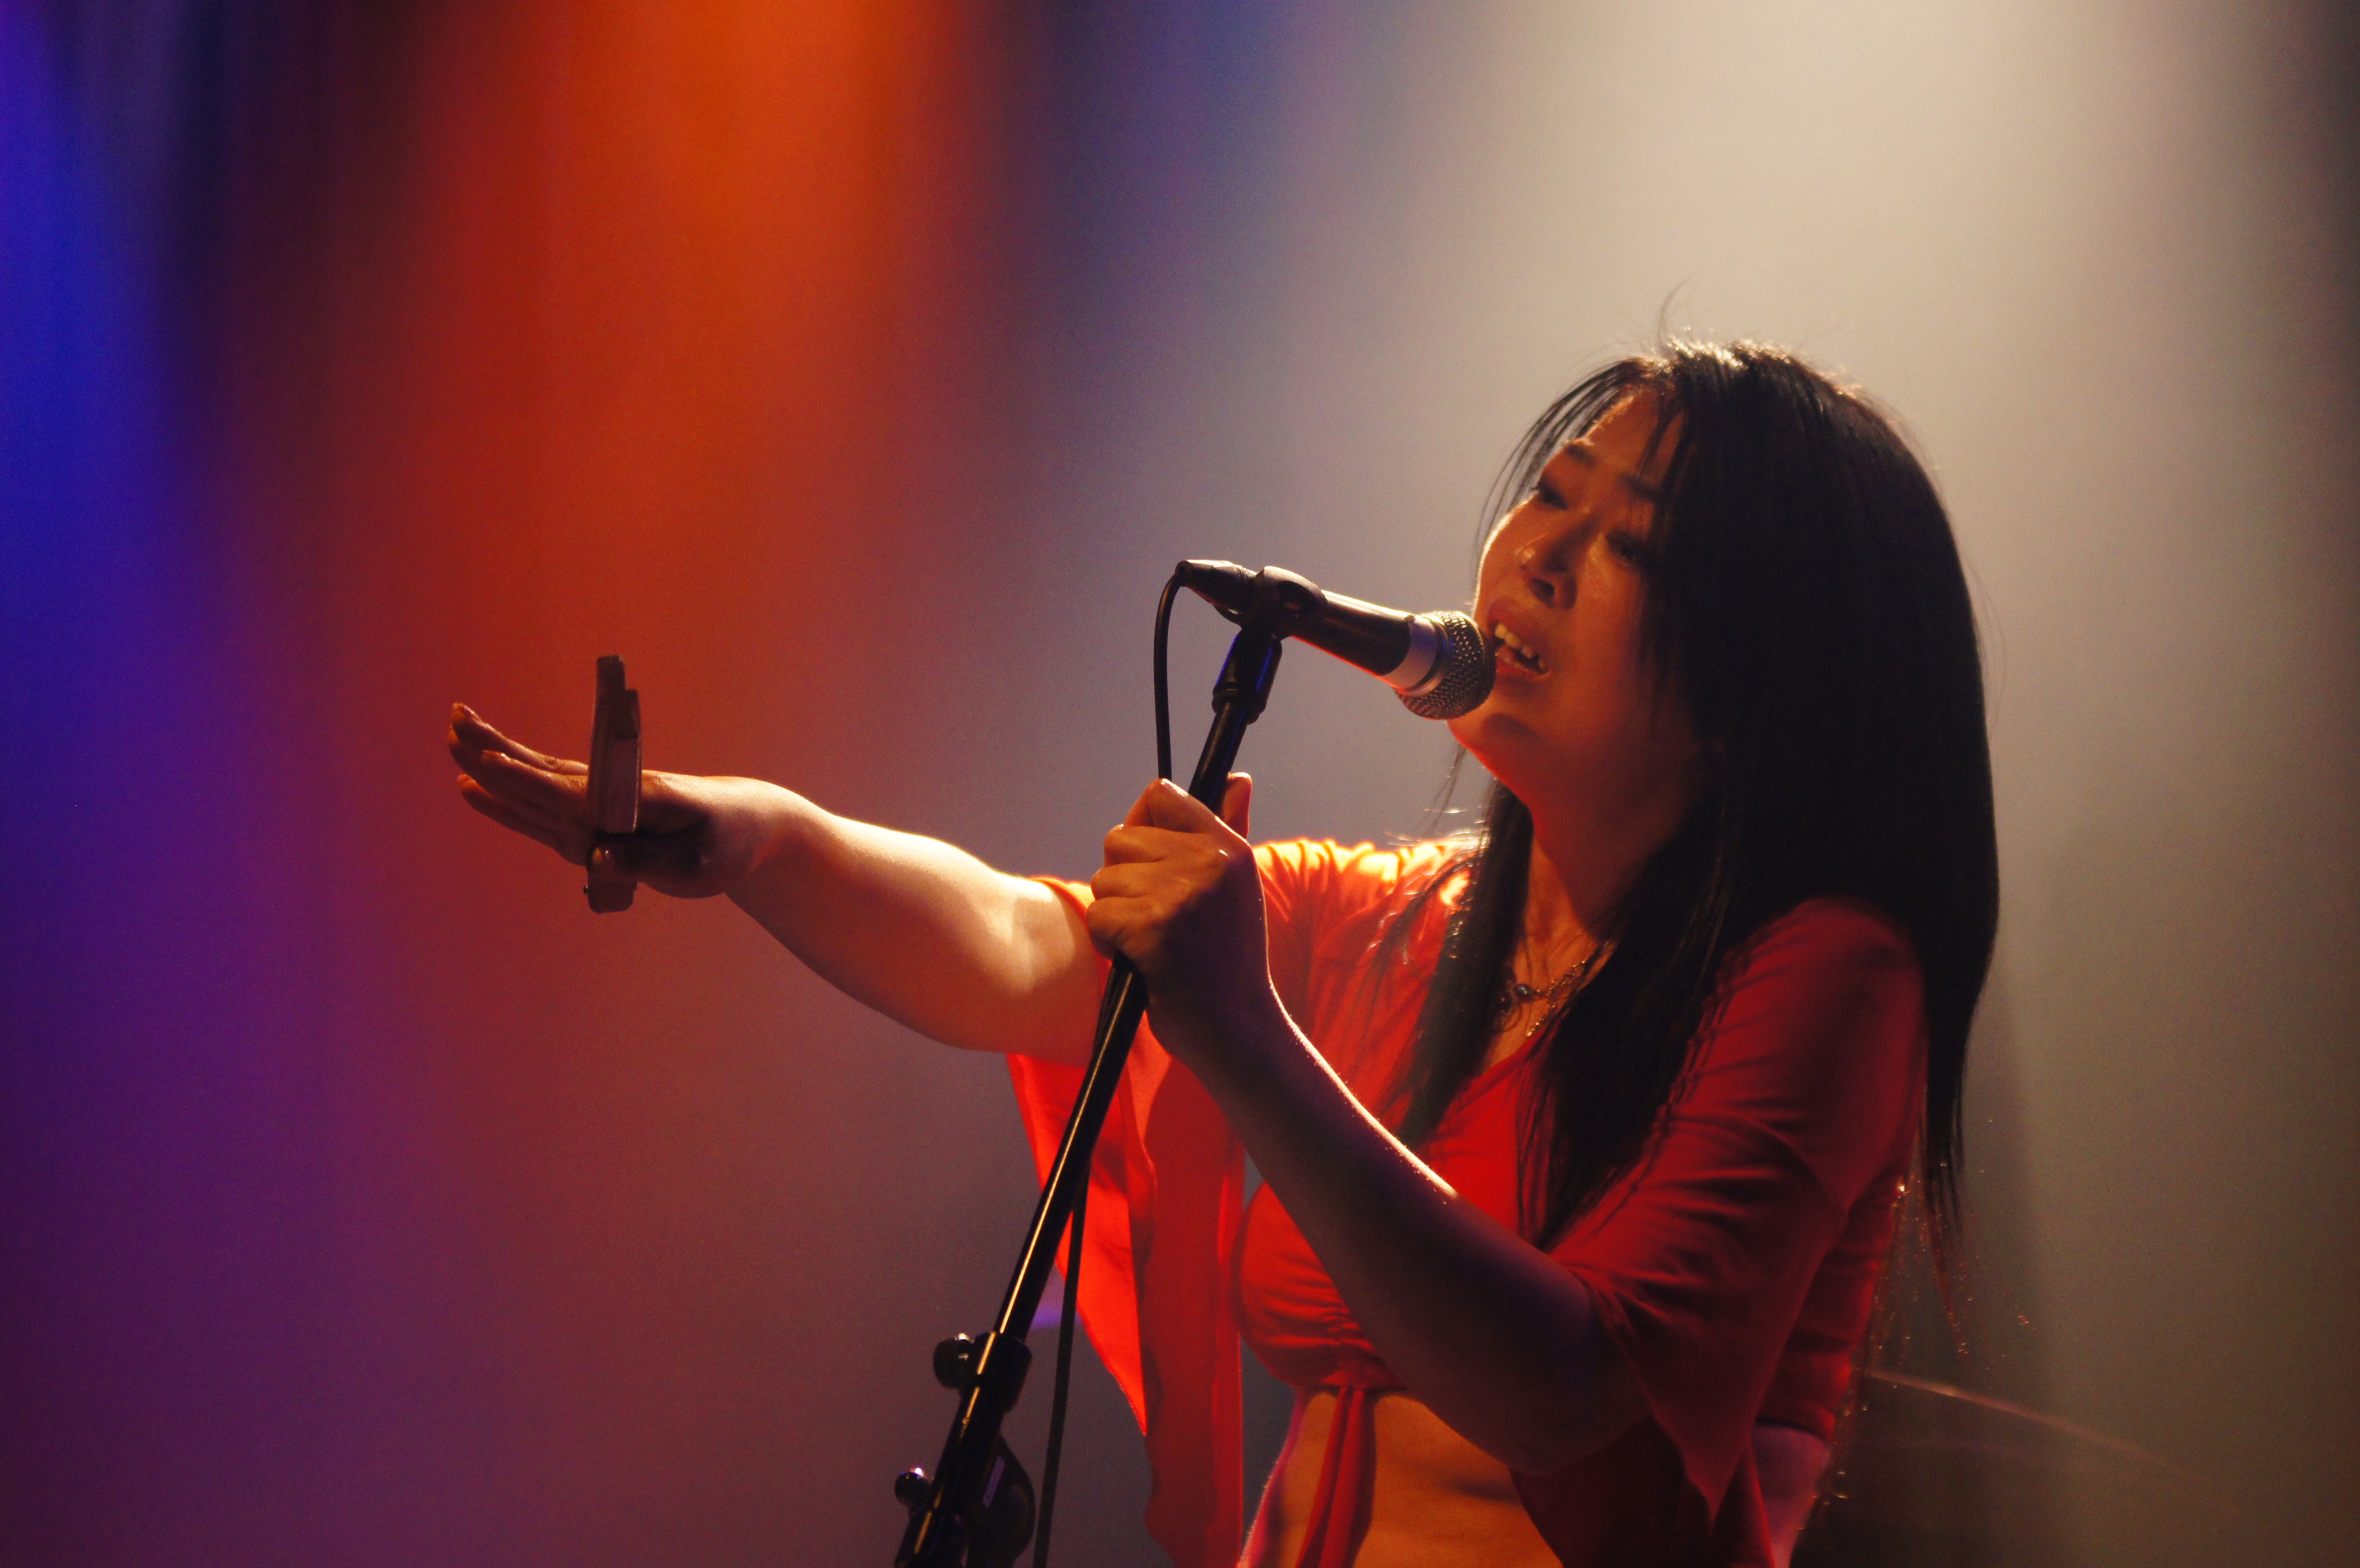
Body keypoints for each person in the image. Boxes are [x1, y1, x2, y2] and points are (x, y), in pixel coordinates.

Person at [448, 340, 1998, 1568]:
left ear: (1760, 680)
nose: (1540, 555)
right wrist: (765, 839)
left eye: (1632, 546)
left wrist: (1249, 1039)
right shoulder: (1403, 919)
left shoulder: (1832, 975)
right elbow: (1022, 947)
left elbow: (1566, 1386)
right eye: (1552, 495)